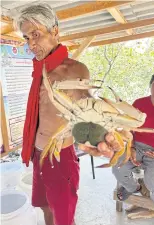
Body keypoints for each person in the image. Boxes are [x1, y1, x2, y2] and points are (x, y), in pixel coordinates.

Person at [15, 3, 120, 225]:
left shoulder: (74, 70)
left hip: (59, 157)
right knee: (44, 206)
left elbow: (86, 105)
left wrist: (104, 132)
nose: (31, 44)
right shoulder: (39, 68)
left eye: (36, 34)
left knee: (63, 217)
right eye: (26, 38)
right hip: (38, 153)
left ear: (55, 30)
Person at [112, 71, 154, 216]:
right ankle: (132, 188)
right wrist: (132, 147)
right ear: (150, 86)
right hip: (136, 145)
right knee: (118, 167)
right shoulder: (139, 103)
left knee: (153, 181)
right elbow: (129, 130)